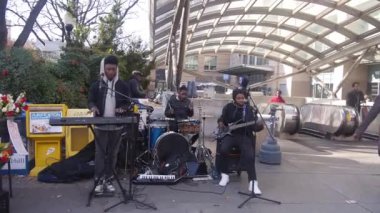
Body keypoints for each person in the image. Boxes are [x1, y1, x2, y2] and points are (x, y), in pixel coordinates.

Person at [88, 55, 131, 195]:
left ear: (116, 69)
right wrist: (93, 107)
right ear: (103, 69)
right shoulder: (97, 85)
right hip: (101, 125)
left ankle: (109, 179)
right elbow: (90, 100)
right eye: (108, 69)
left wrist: (123, 109)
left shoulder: (122, 86)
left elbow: (127, 102)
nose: (111, 72)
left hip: (117, 125)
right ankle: (99, 181)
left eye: (113, 69)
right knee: (100, 153)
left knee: (113, 154)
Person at [217, 89, 262, 194]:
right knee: (223, 149)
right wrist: (220, 123)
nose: (241, 100)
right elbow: (221, 119)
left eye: (243, 98)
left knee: (250, 155)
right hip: (230, 135)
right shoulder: (228, 107)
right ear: (234, 98)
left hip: (244, 136)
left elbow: (254, 126)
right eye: (239, 98)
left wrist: (259, 126)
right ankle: (225, 175)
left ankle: (253, 183)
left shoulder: (249, 109)